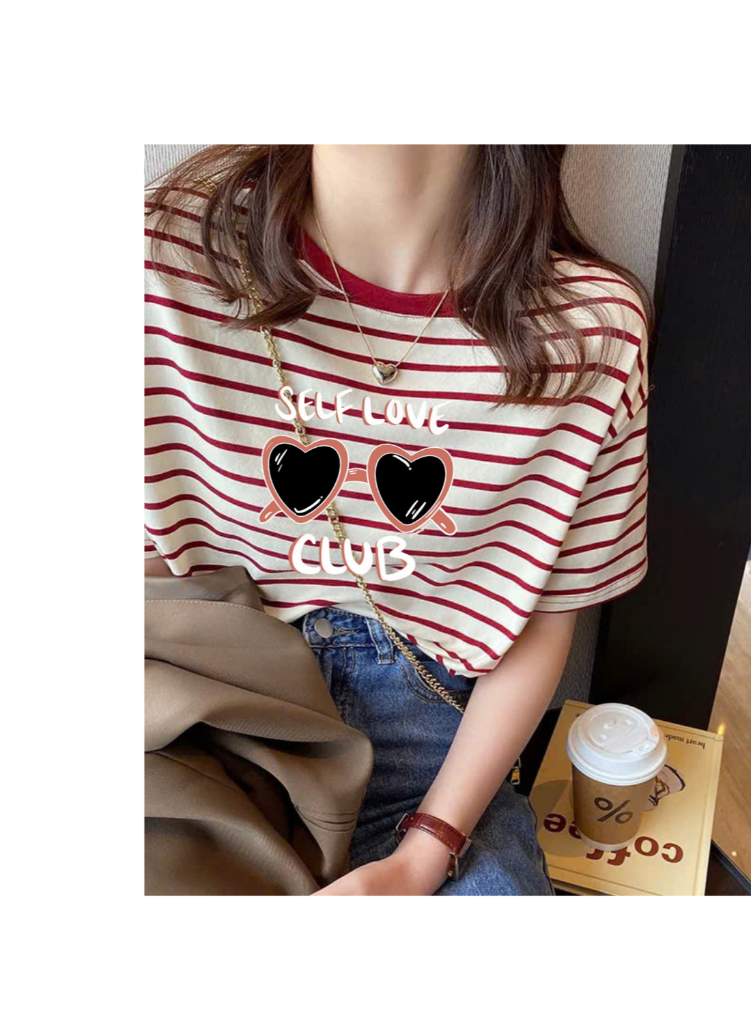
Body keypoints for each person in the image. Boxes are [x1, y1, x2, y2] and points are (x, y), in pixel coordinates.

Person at [144, 145, 650, 895]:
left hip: (434, 756)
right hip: (206, 716)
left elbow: (543, 619)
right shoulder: (169, 257)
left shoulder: (589, 332)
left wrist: (425, 854)